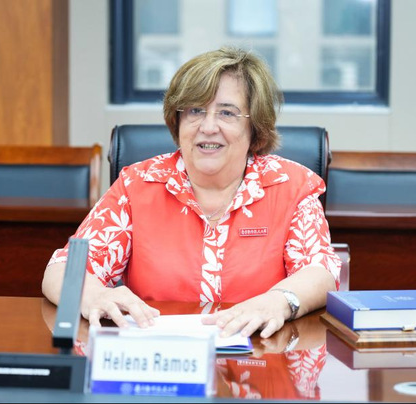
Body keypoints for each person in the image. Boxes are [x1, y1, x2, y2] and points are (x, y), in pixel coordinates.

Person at [42, 46, 341, 340]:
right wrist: (94, 295)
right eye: (195, 111)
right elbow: (61, 270)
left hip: (261, 355)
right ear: (178, 121)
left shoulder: (290, 185)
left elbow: (320, 271)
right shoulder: (138, 185)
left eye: (227, 113)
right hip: (161, 357)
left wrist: (278, 301)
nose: (208, 127)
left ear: (255, 128)